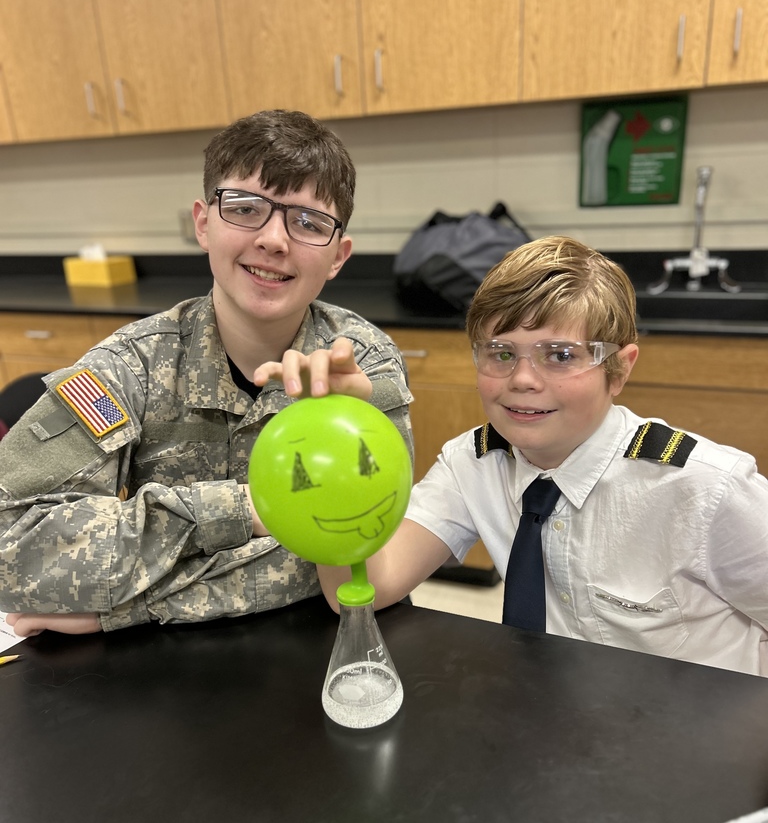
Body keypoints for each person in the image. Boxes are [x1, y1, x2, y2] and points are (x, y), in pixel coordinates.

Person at [256, 236, 768, 676]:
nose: (522, 379)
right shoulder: (472, 463)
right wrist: (336, 438)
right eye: (500, 353)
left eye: (560, 355)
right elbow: (372, 583)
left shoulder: (707, 489)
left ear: (620, 367)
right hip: (550, 722)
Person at [0, 109, 413, 637]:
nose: (274, 239)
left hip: (322, 650)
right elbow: (13, 547)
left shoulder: (362, 362)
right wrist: (253, 508)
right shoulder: (131, 366)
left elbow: (365, 558)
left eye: (309, 222)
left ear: (338, 256)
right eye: (245, 209)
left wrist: (126, 606)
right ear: (203, 223)